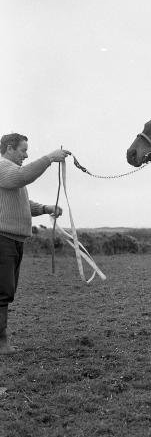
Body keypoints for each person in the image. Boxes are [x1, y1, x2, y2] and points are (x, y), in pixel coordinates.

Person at [0, 133, 70, 354]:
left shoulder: (9, 173)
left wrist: (45, 209)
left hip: (13, 241)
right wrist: (50, 158)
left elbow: (21, 202)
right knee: (2, 293)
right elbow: (21, 177)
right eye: (23, 150)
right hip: (3, 241)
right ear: (10, 148)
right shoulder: (3, 167)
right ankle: (1, 343)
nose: (26, 155)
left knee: (6, 292)